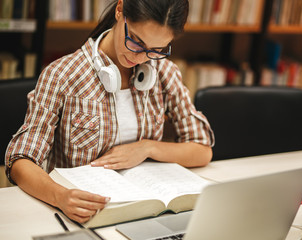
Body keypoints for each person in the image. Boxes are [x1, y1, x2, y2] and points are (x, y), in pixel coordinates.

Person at [5, 0, 214, 223]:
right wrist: (60, 196)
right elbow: (21, 161)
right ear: (119, 10)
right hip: (80, 215)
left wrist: (147, 148)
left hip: (145, 212)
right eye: (135, 40)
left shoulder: (164, 72)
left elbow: (202, 150)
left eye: (156, 50)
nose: (140, 57)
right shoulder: (62, 75)